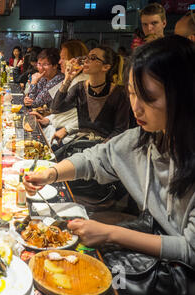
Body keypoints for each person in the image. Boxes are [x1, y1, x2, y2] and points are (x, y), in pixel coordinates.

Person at [23, 35, 195, 271]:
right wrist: (49, 174)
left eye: (149, 97)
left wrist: (110, 233)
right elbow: (96, 158)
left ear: (185, 95)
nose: (137, 107)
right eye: (133, 93)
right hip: (148, 243)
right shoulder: (145, 139)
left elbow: (189, 250)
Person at [49, 45, 130, 142]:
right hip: (81, 143)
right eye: (86, 57)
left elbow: (120, 130)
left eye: (93, 58)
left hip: (104, 147)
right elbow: (55, 109)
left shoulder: (119, 93)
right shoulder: (80, 87)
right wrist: (68, 79)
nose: (86, 61)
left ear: (105, 67)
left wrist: (98, 150)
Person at [30, 40, 89, 146]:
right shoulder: (71, 79)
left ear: (75, 60)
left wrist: (66, 129)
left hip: (69, 138)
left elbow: (53, 108)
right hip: (57, 128)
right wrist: (48, 119)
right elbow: (60, 109)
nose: (60, 62)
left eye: (63, 58)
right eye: (39, 64)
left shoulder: (82, 82)